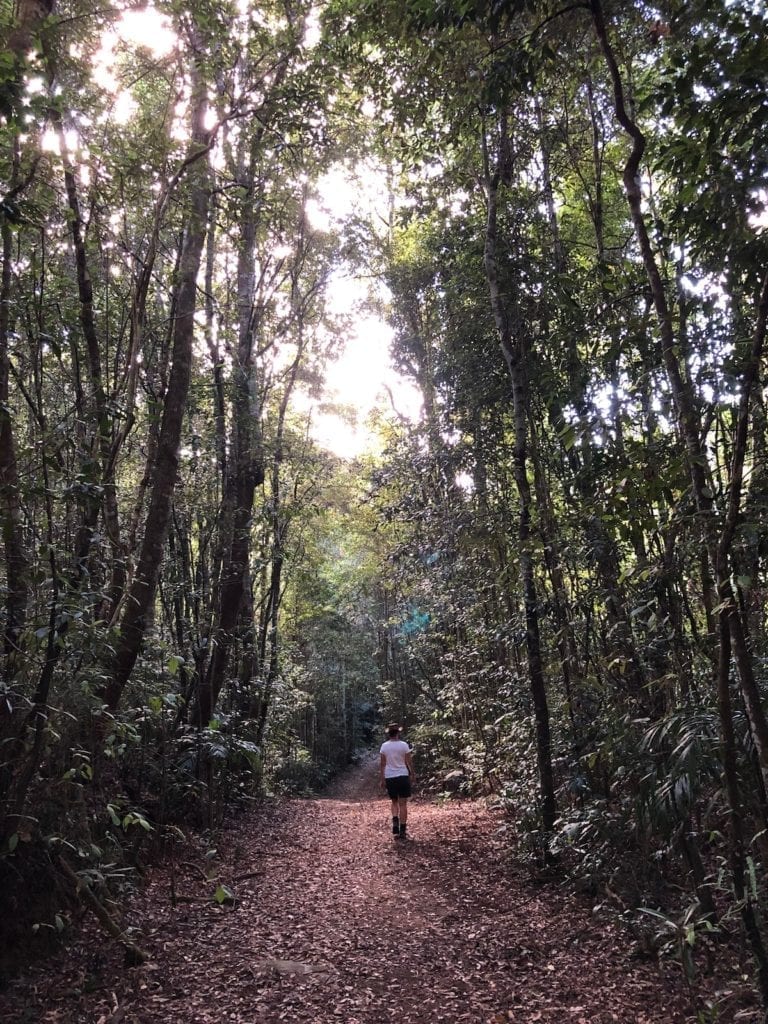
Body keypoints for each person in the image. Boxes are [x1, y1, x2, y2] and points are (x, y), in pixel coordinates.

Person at [379, 723, 414, 840]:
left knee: (394, 801)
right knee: (403, 804)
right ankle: (403, 830)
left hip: (390, 777)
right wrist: (412, 774)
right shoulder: (404, 745)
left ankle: (395, 820)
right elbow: (408, 762)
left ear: (389, 733)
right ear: (398, 733)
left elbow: (383, 764)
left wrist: (382, 779)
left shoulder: (384, 746)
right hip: (403, 776)